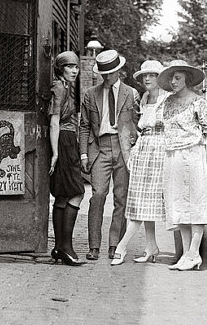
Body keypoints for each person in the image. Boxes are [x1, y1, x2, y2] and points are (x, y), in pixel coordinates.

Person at [79, 49, 140, 260]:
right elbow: (84, 126)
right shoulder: (90, 94)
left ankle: (115, 245)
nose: (107, 77)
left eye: (111, 72)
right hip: (99, 148)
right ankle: (94, 246)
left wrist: (135, 146)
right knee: (97, 196)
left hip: (123, 149)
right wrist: (84, 155)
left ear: (119, 71)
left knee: (121, 198)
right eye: (104, 73)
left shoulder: (131, 93)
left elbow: (138, 124)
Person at [157, 60, 207, 271]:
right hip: (173, 156)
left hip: (193, 154)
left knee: (195, 203)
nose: (173, 82)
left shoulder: (200, 103)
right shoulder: (167, 103)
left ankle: (194, 253)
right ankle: (185, 254)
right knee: (178, 205)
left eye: (177, 78)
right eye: (171, 78)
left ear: (187, 79)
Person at [111, 60, 169, 266]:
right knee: (141, 201)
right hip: (143, 150)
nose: (147, 79)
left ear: (160, 78)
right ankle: (151, 246)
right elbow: (136, 127)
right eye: (145, 76)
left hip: (160, 151)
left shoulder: (167, 99)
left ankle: (121, 247)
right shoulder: (144, 98)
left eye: (152, 75)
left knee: (144, 203)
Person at [48, 51, 86, 266]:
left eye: (76, 67)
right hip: (63, 140)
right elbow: (54, 122)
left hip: (67, 139)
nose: (74, 71)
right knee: (77, 192)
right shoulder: (59, 88)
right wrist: (55, 153)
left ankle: (59, 248)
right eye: (69, 67)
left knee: (62, 196)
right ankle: (66, 247)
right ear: (60, 68)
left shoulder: (66, 87)